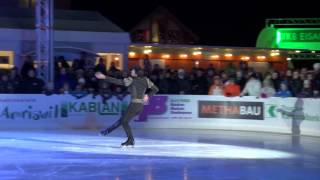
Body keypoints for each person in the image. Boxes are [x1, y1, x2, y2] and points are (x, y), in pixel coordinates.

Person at [95, 67, 159, 147]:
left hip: (134, 105)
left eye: (132, 70)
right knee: (123, 120)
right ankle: (107, 132)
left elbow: (118, 81)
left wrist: (104, 77)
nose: (130, 71)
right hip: (140, 106)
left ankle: (130, 140)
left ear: (136, 73)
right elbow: (156, 89)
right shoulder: (146, 80)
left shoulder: (131, 80)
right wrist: (148, 96)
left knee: (124, 122)